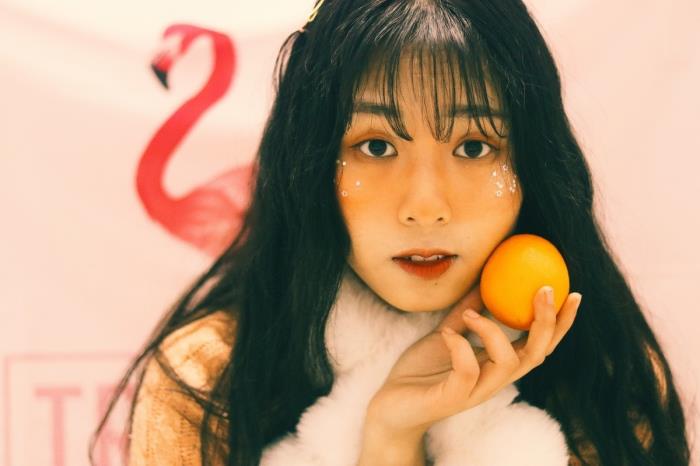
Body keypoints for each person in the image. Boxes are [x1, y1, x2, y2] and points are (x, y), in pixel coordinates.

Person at [89, 0, 692, 465]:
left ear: (534, 169)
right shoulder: (208, 381)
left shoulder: (605, 379)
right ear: (310, 168)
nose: (425, 207)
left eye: (474, 146)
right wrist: (389, 437)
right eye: (375, 146)